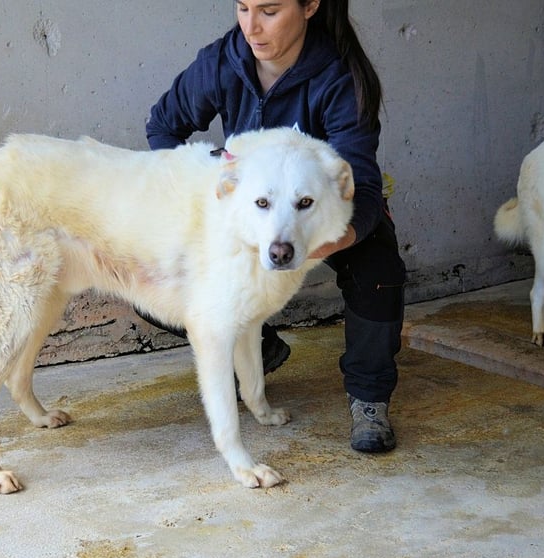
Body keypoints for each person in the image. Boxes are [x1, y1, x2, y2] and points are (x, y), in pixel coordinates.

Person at [140, 0, 406, 453]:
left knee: (378, 271)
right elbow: (163, 128)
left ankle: (369, 397)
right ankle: (258, 349)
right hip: (252, 214)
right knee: (160, 285)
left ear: (309, 7)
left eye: (269, 10)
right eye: (243, 8)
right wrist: (212, 192)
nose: (251, 27)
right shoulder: (223, 61)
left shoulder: (341, 77)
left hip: (319, 213)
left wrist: (326, 240)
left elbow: (359, 182)